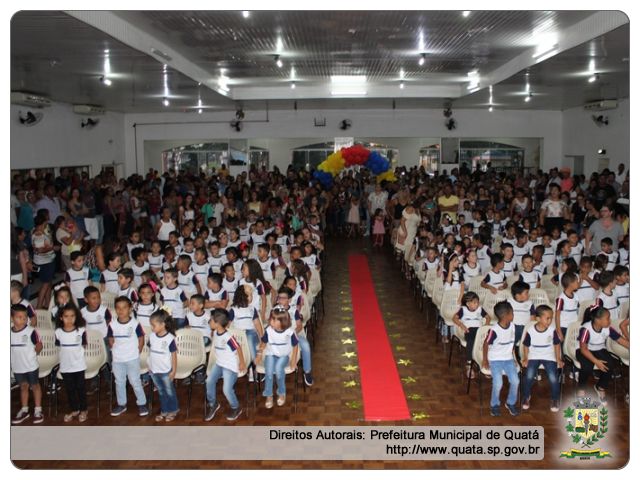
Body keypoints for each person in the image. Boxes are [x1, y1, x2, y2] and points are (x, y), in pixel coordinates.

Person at [577, 305, 629, 405]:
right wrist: (596, 361)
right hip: (584, 350)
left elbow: (621, 340)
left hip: (599, 348)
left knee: (610, 365)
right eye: (607, 318)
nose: (610, 320)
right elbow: (583, 349)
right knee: (587, 367)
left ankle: (600, 387)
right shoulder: (586, 329)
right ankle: (581, 388)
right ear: (597, 320)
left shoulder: (608, 328)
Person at [108, 296, 148, 417]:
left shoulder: (135, 324)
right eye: (118, 308)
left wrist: (138, 351)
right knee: (119, 381)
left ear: (130, 309)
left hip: (132, 358)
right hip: (118, 359)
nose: (121, 311)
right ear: (115, 309)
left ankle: (142, 403)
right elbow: (110, 338)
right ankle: (122, 404)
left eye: (124, 308)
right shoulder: (112, 324)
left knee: (135, 381)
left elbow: (141, 338)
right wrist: (113, 348)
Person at [204, 308, 245, 422]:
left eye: (211, 320)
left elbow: (238, 348)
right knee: (209, 381)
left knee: (226, 389)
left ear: (217, 323)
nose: (209, 322)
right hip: (219, 363)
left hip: (230, 366)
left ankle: (235, 407)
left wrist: (242, 363)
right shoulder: (216, 332)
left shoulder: (227, 337)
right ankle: (213, 403)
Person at [521, 305, 563, 412]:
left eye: (551, 318)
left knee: (553, 378)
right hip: (534, 356)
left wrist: (558, 358)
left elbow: (557, 345)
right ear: (538, 318)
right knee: (529, 376)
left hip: (548, 356)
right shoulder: (530, 330)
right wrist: (526, 358)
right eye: (547, 318)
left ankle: (554, 399)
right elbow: (526, 345)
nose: (550, 321)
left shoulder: (552, 331)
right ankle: (526, 396)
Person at [256, 306, 299, 408]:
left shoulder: (290, 332)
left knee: (279, 369)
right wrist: (259, 354)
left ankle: (281, 392)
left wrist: (293, 361)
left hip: (284, 356)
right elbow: (263, 343)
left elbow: (295, 345)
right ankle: (269, 395)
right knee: (269, 373)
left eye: (274, 319)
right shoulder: (269, 330)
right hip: (271, 354)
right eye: (271, 318)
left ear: (282, 322)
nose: (271, 320)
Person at [483, 301, 519, 417]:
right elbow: (485, 344)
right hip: (495, 360)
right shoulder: (494, 331)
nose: (513, 315)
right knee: (498, 383)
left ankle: (510, 402)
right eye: (512, 313)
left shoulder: (513, 326)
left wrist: (513, 357)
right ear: (506, 315)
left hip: (508, 359)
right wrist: (485, 360)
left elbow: (511, 343)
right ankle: (494, 404)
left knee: (515, 381)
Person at [54, 303, 89, 423]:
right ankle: (74, 409)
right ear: (61, 318)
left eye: (72, 316)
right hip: (65, 366)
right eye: (66, 316)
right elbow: (59, 347)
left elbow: (84, 345)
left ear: (77, 317)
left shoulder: (81, 331)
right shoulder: (58, 332)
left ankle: (84, 409)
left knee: (80, 387)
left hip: (79, 366)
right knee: (70, 389)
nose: (69, 319)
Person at [11, 304, 44, 424]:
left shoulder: (31, 331)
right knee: (23, 387)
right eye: (19, 317)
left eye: (25, 317)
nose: (23, 319)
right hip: (17, 366)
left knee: (35, 386)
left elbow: (39, 345)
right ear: (11, 318)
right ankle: (24, 410)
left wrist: (34, 354)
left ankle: (38, 410)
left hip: (31, 366)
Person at [147, 309, 179, 422]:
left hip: (166, 371)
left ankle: (173, 409)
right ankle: (164, 410)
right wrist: (149, 366)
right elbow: (150, 352)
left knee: (169, 391)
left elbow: (174, 356)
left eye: (153, 325)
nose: (152, 327)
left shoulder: (170, 339)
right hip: (154, 370)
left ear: (163, 324)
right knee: (161, 391)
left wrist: (173, 371)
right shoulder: (152, 336)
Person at [453, 291, 490, 379]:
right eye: (474, 303)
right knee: (471, 342)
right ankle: (469, 364)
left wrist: (486, 326)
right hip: (469, 330)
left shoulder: (480, 309)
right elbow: (454, 318)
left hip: (479, 330)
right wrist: (462, 325)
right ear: (468, 304)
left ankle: (484, 364)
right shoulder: (463, 310)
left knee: (487, 343)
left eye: (477, 302)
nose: (477, 304)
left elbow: (488, 317)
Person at [31, 214, 56, 309]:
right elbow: (40, 250)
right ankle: (39, 306)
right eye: (46, 222)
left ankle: (47, 304)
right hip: (45, 262)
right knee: (45, 284)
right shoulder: (39, 234)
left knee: (48, 283)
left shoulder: (34, 232)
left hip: (42, 261)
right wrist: (53, 248)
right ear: (43, 223)